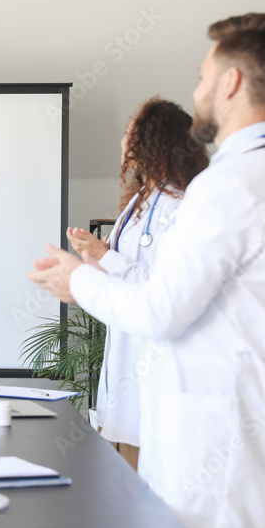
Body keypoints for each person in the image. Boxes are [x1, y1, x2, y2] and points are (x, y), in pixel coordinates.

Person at [28, 13, 265, 528]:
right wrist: (96, 267)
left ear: (231, 83)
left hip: (217, 452)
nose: (197, 90)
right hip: (209, 436)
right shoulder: (262, 174)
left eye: (204, 75)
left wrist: (76, 281)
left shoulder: (232, 185)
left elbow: (160, 308)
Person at [65, 98, 209, 470]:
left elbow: (165, 290)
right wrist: (88, 264)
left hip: (152, 368)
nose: (123, 137)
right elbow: (124, 273)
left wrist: (105, 255)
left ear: (151, 141)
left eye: (131, 129)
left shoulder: (180, 207)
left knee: (139, 495)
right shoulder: (139, 202)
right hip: (121, 371)